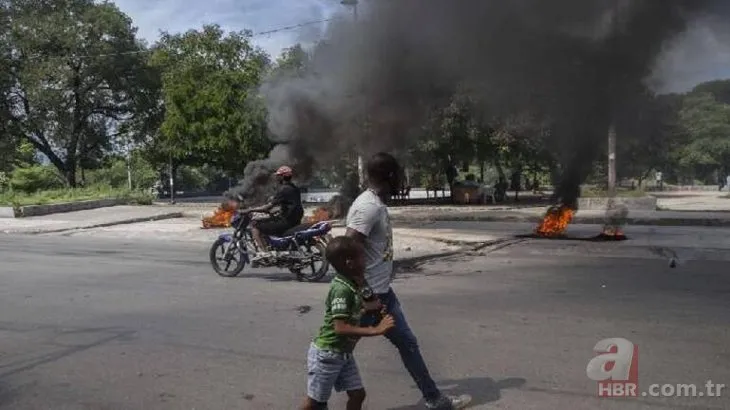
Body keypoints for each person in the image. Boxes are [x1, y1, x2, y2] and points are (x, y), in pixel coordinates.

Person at [346, 152, 471, 409]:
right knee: (335, 354)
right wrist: (366, 295)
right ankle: (316, 400)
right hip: (366, 298)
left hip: (383, 295)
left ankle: (435, 399)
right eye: (399, 175)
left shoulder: (376, 204)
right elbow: (348, 251)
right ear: (389, 176)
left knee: (408, 344)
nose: (402, 181)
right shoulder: (368, 207)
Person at [301, 236, 395, 410]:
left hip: (343, 353)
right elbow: (340, 327)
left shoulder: (353, 280)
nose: (366, 260)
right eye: (362, 257)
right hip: (327, 354)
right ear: (350, 262)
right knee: (315, 403)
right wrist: (376, 330)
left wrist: (374, 308)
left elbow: (367, 302)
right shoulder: (341, 289)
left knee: (358, 394)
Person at [244, 166, 305, 260]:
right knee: (268, 221)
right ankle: (273, 246)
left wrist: (250, 210)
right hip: (295, 220)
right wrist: (277, 211)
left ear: (282, 177)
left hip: (286, 221)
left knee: (255, 225)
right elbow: (289, 204)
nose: (277, 178)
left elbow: (268, 207)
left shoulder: (283, 189)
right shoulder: (295, 188)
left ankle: (265, 253)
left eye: (278, 176)